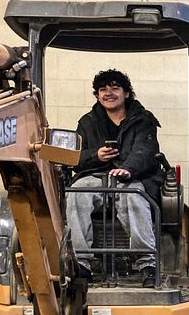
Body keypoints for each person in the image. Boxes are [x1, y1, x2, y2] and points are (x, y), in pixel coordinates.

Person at [68, 69, 162, 288]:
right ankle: (81, 262)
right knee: (76, 192)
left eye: (114, 88)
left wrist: (129, 169)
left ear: (126, 93)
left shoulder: (143, 120)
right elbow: (75, 157)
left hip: (131, 177)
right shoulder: (87, 122)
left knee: (135, 196)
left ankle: (147, 263)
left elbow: (145, 150)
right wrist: (95, 156)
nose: (108, 93)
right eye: (103, 89)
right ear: (98, 95)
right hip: (96, 176)